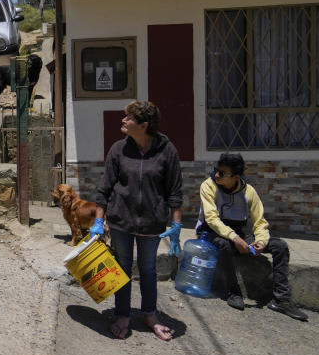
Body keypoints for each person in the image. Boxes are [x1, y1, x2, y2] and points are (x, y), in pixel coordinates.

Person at [90, 100, 183, 341]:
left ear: (143, 125)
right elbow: (105, 188)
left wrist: (176, 225)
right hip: (121, 221)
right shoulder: (118, 149)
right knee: (121, 268)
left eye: (128, 118)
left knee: (148, 269)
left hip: (152, 223)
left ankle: (150, 315)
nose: (123, 120)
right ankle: (122, 315)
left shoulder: (167, 151)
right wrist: (98, 222)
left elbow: (175, 191)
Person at [197, 153, 308, 321]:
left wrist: (261, 242)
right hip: (211, 232)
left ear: (236, 177)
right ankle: (233, 292)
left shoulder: (249, 191)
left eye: (222, 173)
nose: (216, 175)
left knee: (280, 246)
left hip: (239, 233)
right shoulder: (208, 186)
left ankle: (281, 299)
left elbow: (260, 222)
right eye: (215, 170)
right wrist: (235, 239)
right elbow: (211, 219)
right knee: (223, 245)